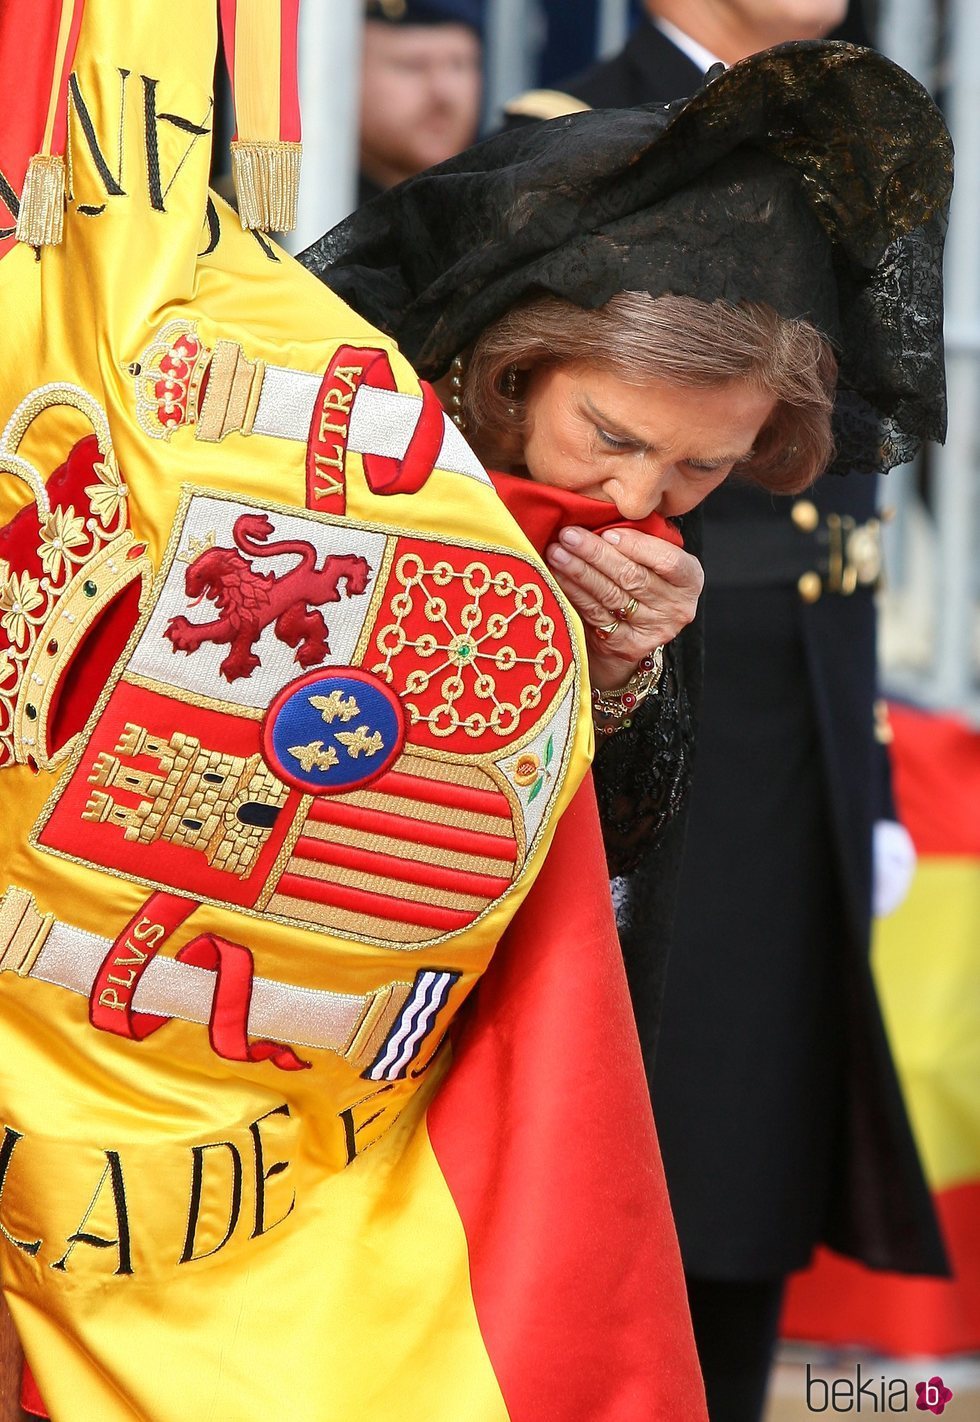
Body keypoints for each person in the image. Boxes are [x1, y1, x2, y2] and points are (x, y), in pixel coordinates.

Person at [305, 34, 952, 1422]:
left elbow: (620, 840)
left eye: (703, 467)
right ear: (513, 369)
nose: (647, 496)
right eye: (609, 436)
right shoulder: (351, 457)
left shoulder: (650, 547)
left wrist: (619, 664)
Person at [358, 0, 483, 206]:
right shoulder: (301, 220)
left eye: (459, 64)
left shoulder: (498, 215)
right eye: (413, 65)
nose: (444, 92)